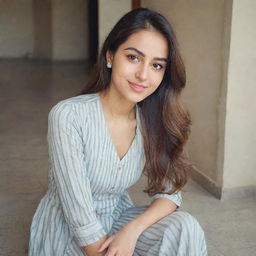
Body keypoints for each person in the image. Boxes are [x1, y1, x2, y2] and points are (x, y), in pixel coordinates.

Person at [28, 8, 207, 256]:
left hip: (117, 219)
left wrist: (132, 230)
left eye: (156, 65)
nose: (143, 75)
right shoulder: (69, 116)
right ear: (110, 56)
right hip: (69, 233)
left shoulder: (153, 120)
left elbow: (170, 194)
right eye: (133, 57)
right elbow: (81, 220)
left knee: (186, 228)